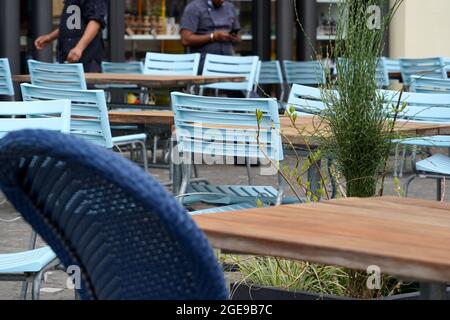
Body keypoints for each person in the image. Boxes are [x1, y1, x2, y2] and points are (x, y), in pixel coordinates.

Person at [34, 0, 107, 72]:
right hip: (67, 57)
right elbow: (71, 25)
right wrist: (49, 37)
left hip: (87, 58)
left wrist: (79, 48)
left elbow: (96, 22)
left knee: (85, 83)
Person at [180, 0, 241, 72]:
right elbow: (185, 39)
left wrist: (233, 37)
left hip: (228, 63)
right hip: (203, 65)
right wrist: (213, 37)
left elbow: (239, 38)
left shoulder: (230, 7)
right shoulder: (194, 8)